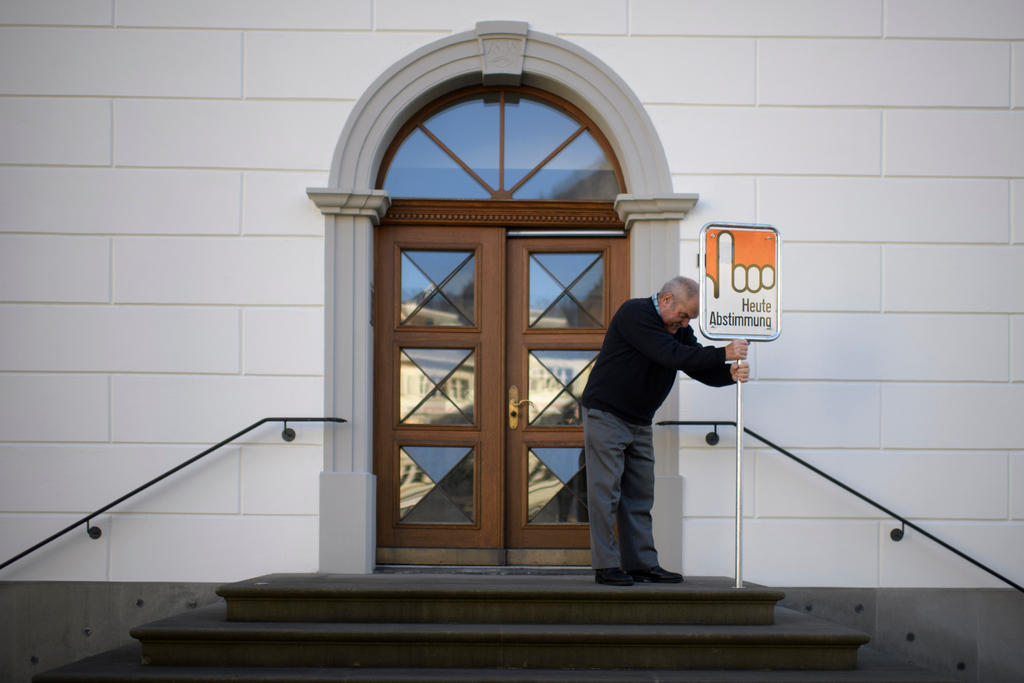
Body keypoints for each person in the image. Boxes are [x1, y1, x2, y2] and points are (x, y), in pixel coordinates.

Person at [580, 276, 750, 586]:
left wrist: (729, 373)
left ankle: (641, 564)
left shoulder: (679, 330)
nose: (685, 324)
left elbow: (695, 364)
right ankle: (606, 566)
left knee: (640, 495)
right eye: (683, 315)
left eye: (690, 319)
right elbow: (671, 355)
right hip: (606, 414)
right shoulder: (635, 315)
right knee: (606, 494)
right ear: (667, 299)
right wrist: (723, 352)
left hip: (640, 420)